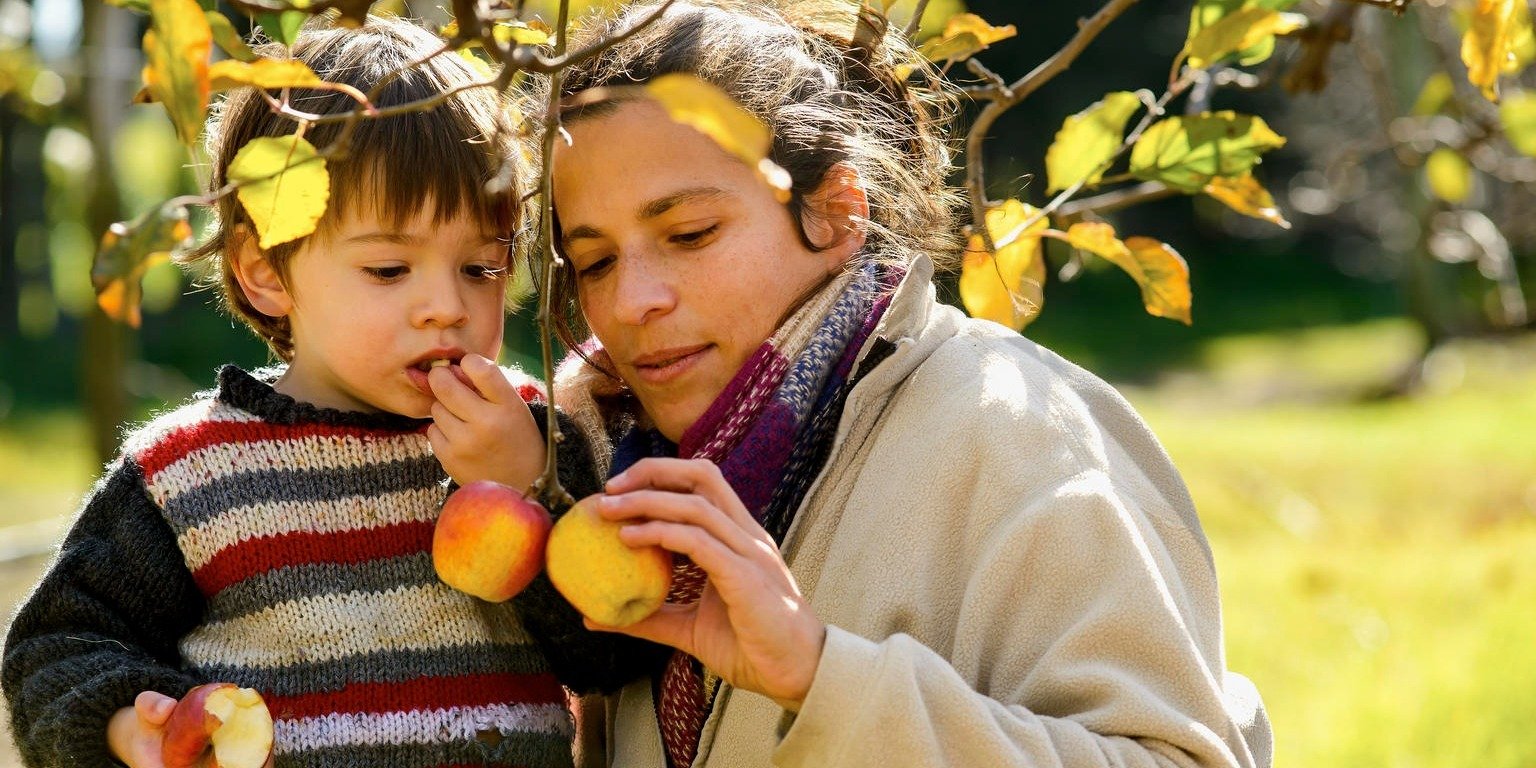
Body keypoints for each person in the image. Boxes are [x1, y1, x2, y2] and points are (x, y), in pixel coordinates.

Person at [513, 1, 1276, 766]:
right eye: (596, 261)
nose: (632, 300)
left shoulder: (1014, 428)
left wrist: (817, 674)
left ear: (840, 212)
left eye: (689, 234)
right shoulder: (609, 468)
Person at [1, 17, 600, 768]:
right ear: (264, 272)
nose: (446, 306)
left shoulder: (530, 439)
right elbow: (56, 648)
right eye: (389, 269)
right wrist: (132, 722)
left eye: (480, 267)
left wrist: (529, 486)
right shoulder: (193, 474)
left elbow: (609, 655)